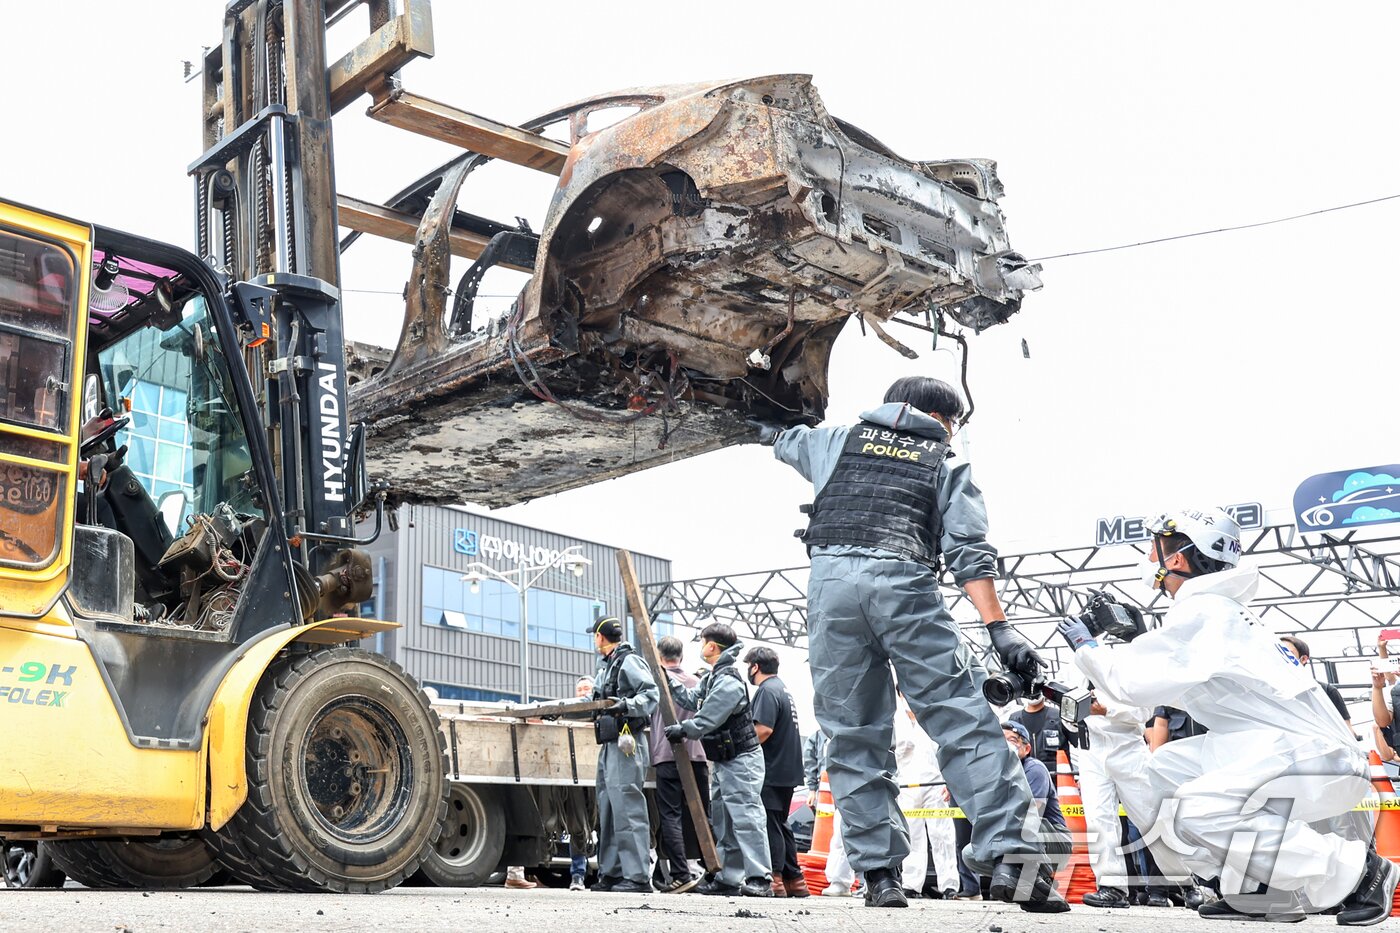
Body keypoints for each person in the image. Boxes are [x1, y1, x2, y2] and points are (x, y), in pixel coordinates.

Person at [762, 376, 1064, 911]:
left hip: (831, 596)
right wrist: (999, 629)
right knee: (962, 720)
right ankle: (1015, 864)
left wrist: (767, 414)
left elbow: (778, 434)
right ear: (943, 420)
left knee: (852, 735)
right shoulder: (945, 463)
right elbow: (969, 551)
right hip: (905, 589)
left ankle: (880, 876)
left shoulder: (834, 440)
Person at [1058, 508, 1396, 925]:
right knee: (1163, 771)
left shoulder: (1205, 612)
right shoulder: (1217, 613)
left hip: (1312, 760)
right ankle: (1260, 889)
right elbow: (1182, 688)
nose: (1148, 557)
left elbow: (1128, 684)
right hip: (1284, 751)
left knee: (1197, 808)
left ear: (1176, 559)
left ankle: (1360, 874)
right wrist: (1141, 640)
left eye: (1154, 549)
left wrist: (1086, 646)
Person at [1055, 668, 1204, 910]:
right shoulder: (1074, 677)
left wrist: (1106, 710)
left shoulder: (1125, 673)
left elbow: (1143, 712)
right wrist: (1070, 717)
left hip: (1129, 752)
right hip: (1091, 753)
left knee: (1151, 820)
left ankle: (1186, 881)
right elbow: (1068, 722)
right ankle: (1111, 887)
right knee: (1098, 820)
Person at [665, 623, 772, 898]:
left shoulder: (727, 681)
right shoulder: (715, 676)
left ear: (712, 646)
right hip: (726, 760)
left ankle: (760, 877)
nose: (701, 647)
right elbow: (692, 699)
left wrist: (684, 730)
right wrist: (669, 682)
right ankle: (728, 877)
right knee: (725, 821)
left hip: (741, 761)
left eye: (703, 642)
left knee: (747, 818)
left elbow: (707, 718)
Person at [587, 617, 659, 894]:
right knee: (608, 807)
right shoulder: (607, 666)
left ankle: (637, 876)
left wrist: (626, 705)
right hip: (610, 744)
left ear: (600, 637)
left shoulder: (629, 661)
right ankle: (612, 872)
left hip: (627, 742)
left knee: (628, 807)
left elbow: (650, 695)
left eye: (595, 635)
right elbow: (594, 700)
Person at [743, 645, 810, 898]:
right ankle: (796, 881)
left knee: (770, 823)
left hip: (771, 768)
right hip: (787, 768)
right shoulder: (782, 689)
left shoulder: (766, 690)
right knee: (781, 823)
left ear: (755, 667)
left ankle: (776, 879)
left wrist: (741, 748)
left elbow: (763, 729)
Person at [649, 635, 709, 894]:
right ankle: (713, 872)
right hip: (697, 756)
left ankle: (681, 874)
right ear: (681, 657)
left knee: (670, 816)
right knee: (702, 815)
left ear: (659, 656)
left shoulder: (655, 684)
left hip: (666, 757)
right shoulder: (696, 682)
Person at [893, 693, 959, 899]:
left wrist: (950, 781)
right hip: (906, 784)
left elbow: (948, 750)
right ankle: (911, 884)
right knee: (912, 835)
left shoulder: (933, 716)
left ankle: (949, 885)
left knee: (942, 834)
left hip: (935, 783)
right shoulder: (895, 718)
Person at [1001, 722, 1072, 869]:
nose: (1005, 745)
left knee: (1024, 824)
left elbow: (1031, 811)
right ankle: (1009, 874)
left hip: (1054, 839)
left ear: (1027, 749)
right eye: (1000, 740)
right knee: (970, 854)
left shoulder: (1034, 769)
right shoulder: (997, 773)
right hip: (1014, 834)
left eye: (1012, 740)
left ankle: (1039, 872)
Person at [1279, 634, 1356, 737]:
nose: (1281, 657)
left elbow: (1347, 730)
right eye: (1278, 653)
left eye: (1288, 653)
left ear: (1303, 659)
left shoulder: (1326, 691)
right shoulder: (1269, 690)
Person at [569, 676, 596, 892]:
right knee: (577, 826)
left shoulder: (600, 713)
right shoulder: (570, 715)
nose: (583, 693)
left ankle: (605, 873)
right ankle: (577, 875)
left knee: (603, 825)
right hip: (576, 778)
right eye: (579, 690)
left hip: (598, 777)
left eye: (587, 689)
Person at [1008, 694, 1066, 773]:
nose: (1032, 693)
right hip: (1026, 776)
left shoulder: (1058, 716)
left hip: (1057, 776)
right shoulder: (1015, 719)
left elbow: (1077, 743)